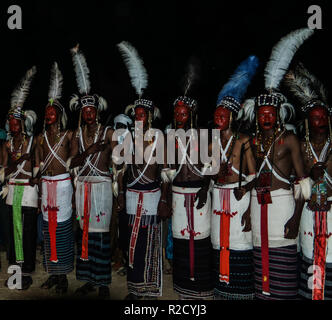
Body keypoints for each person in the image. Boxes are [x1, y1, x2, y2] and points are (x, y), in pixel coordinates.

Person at [241, 28, 313, 300]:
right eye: (262, 114)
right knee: (261, 263)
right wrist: (248, 210)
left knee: (283, 265)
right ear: (257, 117)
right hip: (258, 206)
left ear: (279, 114)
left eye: (271, 114)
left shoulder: (291, 139)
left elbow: (303, 182)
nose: (266, 118)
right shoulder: (253, 141)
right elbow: (251, 179)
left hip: (283, 205)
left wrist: (296, 217)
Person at [117, 41, 171, 300]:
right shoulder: (127, 137)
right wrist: (119, 196)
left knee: (149, 243)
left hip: (150, 198)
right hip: (130, 197)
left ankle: (149, 289)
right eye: (136, 114)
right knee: (132, 243)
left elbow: (165, 174)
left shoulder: (159, 137)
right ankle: (134, 289)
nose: (139, 117)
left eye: (142, 114)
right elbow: (122, 170)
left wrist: (164, 199)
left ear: (149, 116)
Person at [69, 44, 116, 298]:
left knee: (101, 235)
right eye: (85, 111)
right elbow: (73, 162)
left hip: (102, 188)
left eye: (92, 110)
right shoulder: (77, 135)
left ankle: (104, 283)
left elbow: (119, 156)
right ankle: (87, 279)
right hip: (83, 187)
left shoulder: (108, 132)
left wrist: (111, 147)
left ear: (98, 112)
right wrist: (88, 151)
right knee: (83, 234)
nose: (88, 114)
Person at [210, 56, 258, 300]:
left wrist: (247, 200)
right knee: (219, 245)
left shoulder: (243, 140)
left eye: (222, 116)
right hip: (218, 199)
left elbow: (255, 177)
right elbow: (209, 173)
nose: (218, 119)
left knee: (239, 245)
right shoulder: (212, 142)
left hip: (239, 200)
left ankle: (240, 294)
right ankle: (221, 291)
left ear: (231, 117)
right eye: (216, 115)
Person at [284, 62, 332, 300]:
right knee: (309, 255)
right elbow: (298, 185)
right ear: (307, 121)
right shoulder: (302, 148)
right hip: (308, 212)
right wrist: (295, 216)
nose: (320, 121)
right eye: (315, 118)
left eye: (323, 116)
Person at [168, 59, 214, 300]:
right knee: (181, 240)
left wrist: (205, 189)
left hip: (198, 193)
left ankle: (202, 290)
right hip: (178, 194)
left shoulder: (204, 136)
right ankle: (183, 288)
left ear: (192, 114)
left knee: (201, 240)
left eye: (183, 113)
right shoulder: (168, 137)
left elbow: (212, 168)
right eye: (176, 113)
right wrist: (166, 199)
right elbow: (167, 172)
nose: (179, 117)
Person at [33, 62, 74, 294]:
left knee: (62, 229)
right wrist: (39, 191)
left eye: (52, 113)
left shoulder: (68, 135)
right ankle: (51, 272)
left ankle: (63, 276)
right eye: (46, 113)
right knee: (47, 231)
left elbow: (75, 158)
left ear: (59, 115)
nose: (48, 115)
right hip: (46, 186)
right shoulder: (39, 138)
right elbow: (38, 168)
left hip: (62, 186)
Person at [0, 66, 38, 290]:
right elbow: (5, 169)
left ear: (22, 123)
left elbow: (37, 168)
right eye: (10, 124)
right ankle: (15, 272)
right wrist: (19, 158)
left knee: (27, 232)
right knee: (13, 232)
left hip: (29, 191)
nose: (13, 127)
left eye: (16, 124)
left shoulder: (34, 142)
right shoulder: (7, 144)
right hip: (12, 189)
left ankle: (26, 272)